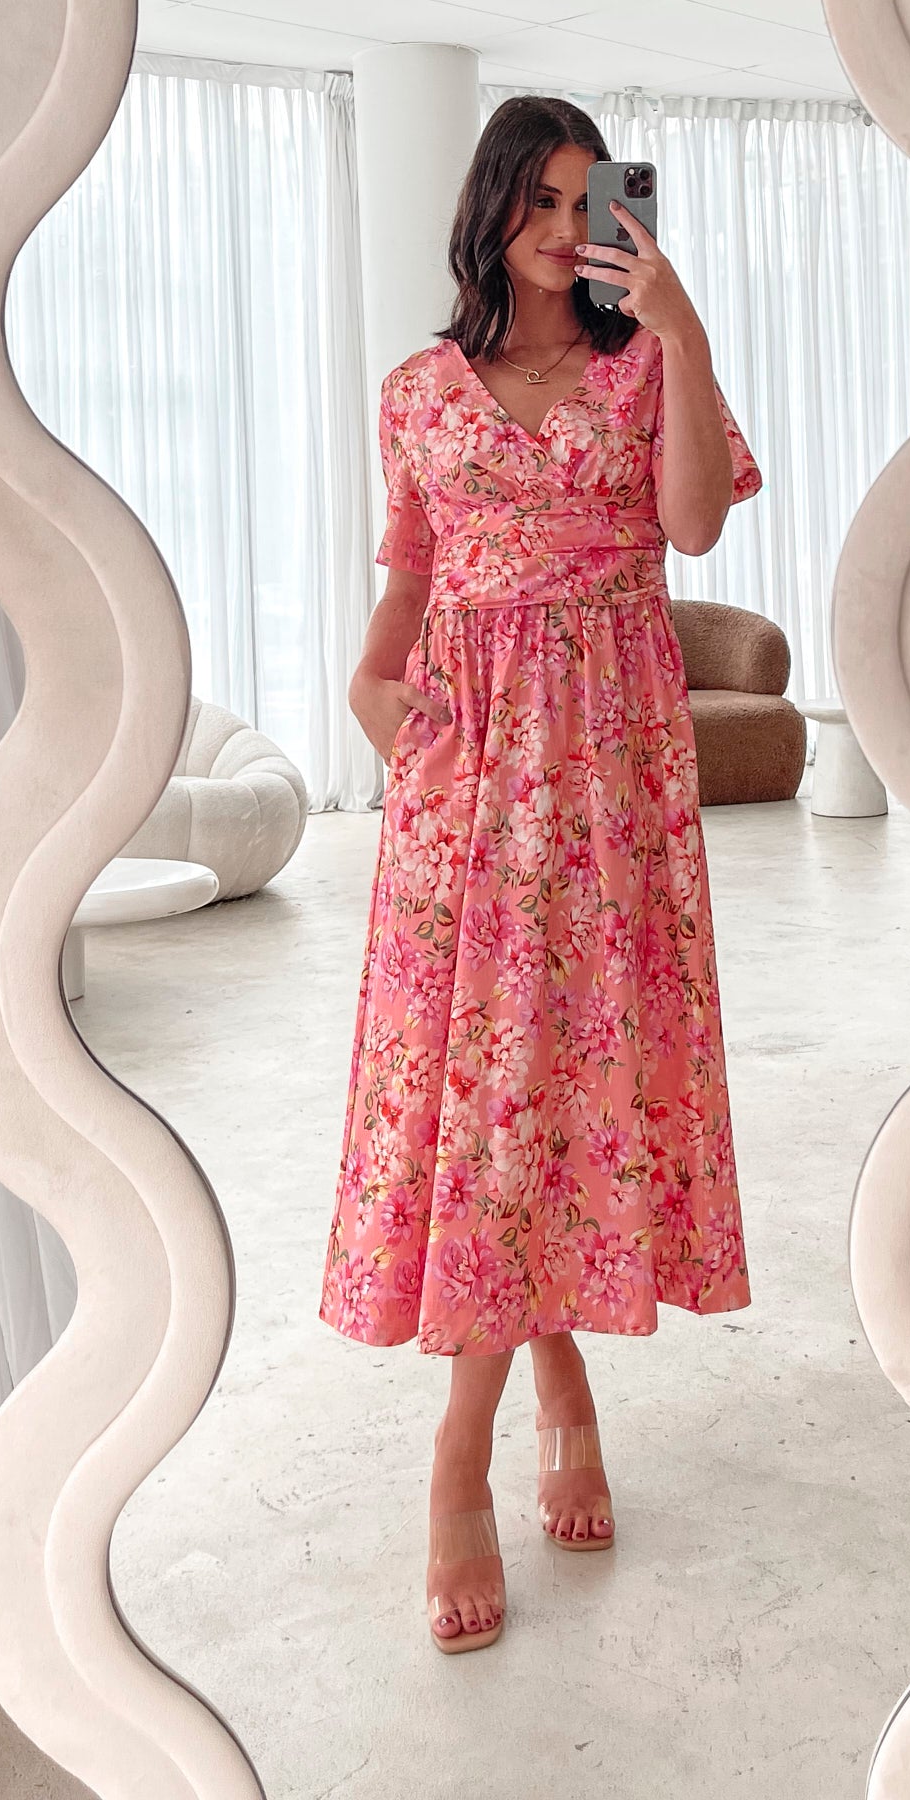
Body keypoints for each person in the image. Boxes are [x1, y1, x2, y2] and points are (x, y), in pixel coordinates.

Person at [318, 94, 761, 1655]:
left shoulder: (646, 374)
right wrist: (375, 710)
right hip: (464, 780)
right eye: (548, 199)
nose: (574, 229)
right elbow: (400, 607)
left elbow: (696, 527)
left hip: (613, 772)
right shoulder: (416, 394)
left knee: (569, 1078)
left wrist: (689, 332)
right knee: (489, 1093)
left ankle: (504, 1410)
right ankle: (491, 1425)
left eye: (598, 202)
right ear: (495, 208)